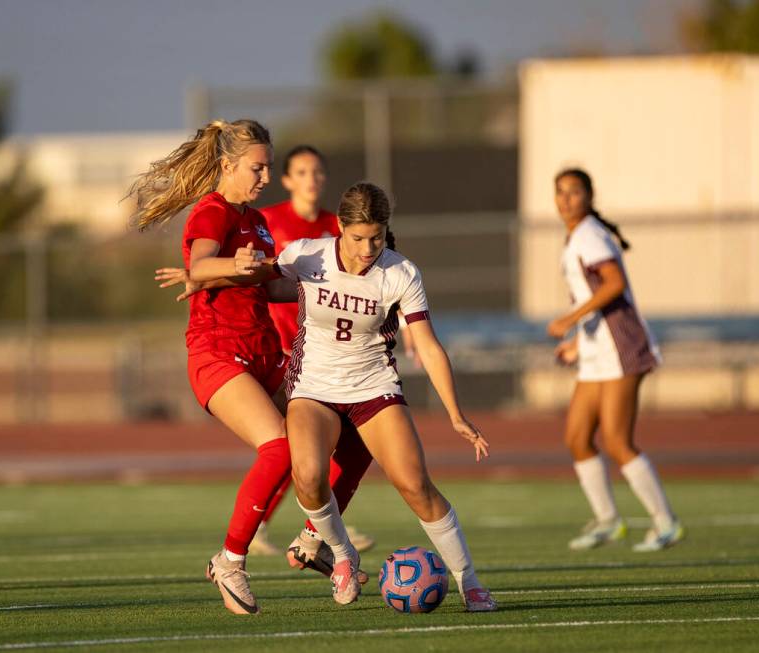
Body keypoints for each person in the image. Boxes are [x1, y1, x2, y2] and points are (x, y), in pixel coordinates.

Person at [132, 119, 369, 615]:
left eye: (267, 167)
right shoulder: (212, 210)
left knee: (353, 433)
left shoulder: (256, 221)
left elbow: (272, 287)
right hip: (218, 354)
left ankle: (313, 539)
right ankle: (230, 560)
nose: (264, 176)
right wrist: (225, 268)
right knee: (280, 447)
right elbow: (200, 264)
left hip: (265, 352)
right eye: (256, 168)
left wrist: (339, 287)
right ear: (227, 165)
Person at [230, 181, 497, 611]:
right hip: (314, 388)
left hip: (374, 389)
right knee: (309, 475)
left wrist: (455, 413)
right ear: (339, 227)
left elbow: (427, 345)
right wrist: (204, 274)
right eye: (357, 238)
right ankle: (342, 557)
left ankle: (471, 583)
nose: (367, 247)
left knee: (415, 485)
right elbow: (256, 285)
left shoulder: (401, 273)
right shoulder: (306, 253)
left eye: (376, 237)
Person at [547, 167, 683, 553]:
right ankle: (608, 521)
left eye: (574, 192)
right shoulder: (576, 235)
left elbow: (614, 284)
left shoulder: (589, 233)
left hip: (622, 347)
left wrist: (569, 320)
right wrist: (576, 342)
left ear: (589, 196)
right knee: (576, 437)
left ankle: (665, 523)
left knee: (617, 441)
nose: (566, 199)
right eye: (559, 192)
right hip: (596, 351)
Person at [249, 145, 375, 556]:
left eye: (318, 171)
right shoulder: (269, 221)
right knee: (293, 444)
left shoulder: (335, 227)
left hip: (325, 354)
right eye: (302, 171)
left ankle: (320, 525)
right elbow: (262, 281)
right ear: (287, 180)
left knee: (332, 443)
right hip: (283, 350)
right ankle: (299, 526)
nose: (312, 178)